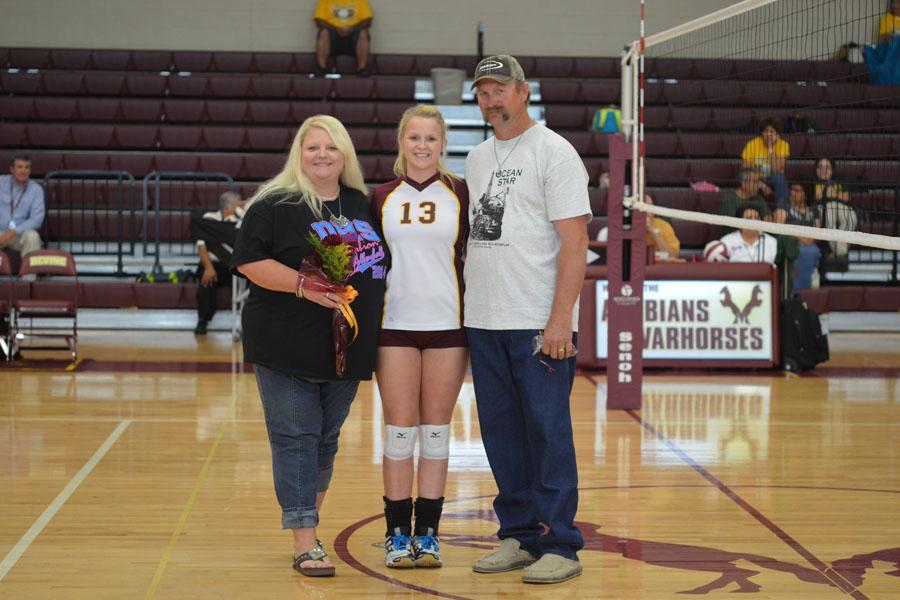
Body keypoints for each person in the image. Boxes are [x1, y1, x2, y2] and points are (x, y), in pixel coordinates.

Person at [231, 115, 388, 577]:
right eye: (312, 147)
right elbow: (249, 262)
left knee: (325, 441)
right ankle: (304, 539)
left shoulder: (362, 204)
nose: (322, 155)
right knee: (296, 438)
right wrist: (305, 285)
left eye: (331, 147)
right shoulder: (275, 203)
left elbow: (383, 266)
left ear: (345, 155)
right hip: (285, 342)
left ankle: (309, 528)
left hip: (347, 346)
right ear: (299, 154)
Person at [464, 54, 590, 584]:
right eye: (484, 92)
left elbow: (576, 240)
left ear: (523, 90)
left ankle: (561, 543)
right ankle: (518, 536)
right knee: (500, 435)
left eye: (501, 90)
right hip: (484, 319)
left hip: (537, 322)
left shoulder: (555, 152)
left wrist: (560, 319)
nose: (493, 100)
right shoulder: (475, 157)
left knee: (547, 432)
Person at [370, 105, 469, 569]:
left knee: (435, 432)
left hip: (449, 328)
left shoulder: (461, 193)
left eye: (431, 138)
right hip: (395, 327)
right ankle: (395, 532)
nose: (423, 146)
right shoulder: (381, 196)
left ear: (443, 144)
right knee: (399, 431)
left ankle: (428, 533)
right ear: (401, 142)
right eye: (414, 138)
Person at [191, 191, 244, 335]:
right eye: (239, 204)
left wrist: (241, 213)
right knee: (206, 281)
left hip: (233, 265)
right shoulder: (209, 219)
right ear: (228, 207)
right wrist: (208, 267)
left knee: (249, 285)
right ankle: (203, 320)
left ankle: (245, 322)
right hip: (212, 264)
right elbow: (201, 244)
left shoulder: (241, 222)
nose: (242, 206)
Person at [596, 193, 681, 262]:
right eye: (640, 209)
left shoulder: (663, 226)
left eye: (649, 209)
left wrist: (654, 232)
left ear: (654, 212)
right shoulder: (608, 231)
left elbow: (673, 255)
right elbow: (604, 260)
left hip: (657, 272)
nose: (645, 213)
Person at [0, 155, 45, 271]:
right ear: (12, 170)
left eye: (27, 167)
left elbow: (36, 220)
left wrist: (13, 232)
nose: (23, 171)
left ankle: (28, 285)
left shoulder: (36, 190)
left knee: (33, 237)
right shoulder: (1, 183)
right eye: (19, 167)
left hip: (19, 235)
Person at [813, 157, 857, 270]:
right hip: (824, 207)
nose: (824, 170)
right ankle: (842, 253)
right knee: (829, 219)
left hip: (842, 207)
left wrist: (829, 194)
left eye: (827, 167)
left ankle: (837, 252)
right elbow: (816, 197)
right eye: (820, 167)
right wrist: (835, 195)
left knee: (851, 217)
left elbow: (846, 198)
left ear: (832, 170)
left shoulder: (840, 181)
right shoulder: (813, 182)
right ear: (816, 170)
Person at [313, 0, 372, 77]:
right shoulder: (325, 1)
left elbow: (367, 21)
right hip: (333, 35)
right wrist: (336, 29)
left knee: (363, 33)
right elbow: (319, 21)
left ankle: (362, 69)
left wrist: (352, 28)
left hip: (353, 34)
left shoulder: (360, 1)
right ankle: (321, 68)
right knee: (323, 32)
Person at [740, 118, 790, 208]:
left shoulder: (783, 144)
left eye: (772, 131)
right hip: (756, 178)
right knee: (749, 179)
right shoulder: (752, 144)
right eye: (766, 131)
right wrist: (761, 184)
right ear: (762, 133)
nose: (769, 134)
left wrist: (771, 148)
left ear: (777, 134)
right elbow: (745, 169)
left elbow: (777, 169)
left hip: (773, 179)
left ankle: (783, 209)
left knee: (779, 177)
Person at [785, 184, 821, 289]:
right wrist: (800, 237)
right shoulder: (785, 207)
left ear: (805, 195)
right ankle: (795, 288)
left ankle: (810, 287)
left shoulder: (814, 210)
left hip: (811, 243)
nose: (793, 192)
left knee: (813, 251)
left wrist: (809, 239)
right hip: (792, 243)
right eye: (792, 190)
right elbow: (780, 227)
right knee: (797, 252)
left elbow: (818, 231)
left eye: (797, 190)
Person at [719, 167, 777, 232]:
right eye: (755, 182)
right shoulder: (730, 200)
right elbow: (731, 225)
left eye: (758, 181)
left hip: (757, 234)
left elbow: (768, 219)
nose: (759, 185)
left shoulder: (758, 198)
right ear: (743, 183)